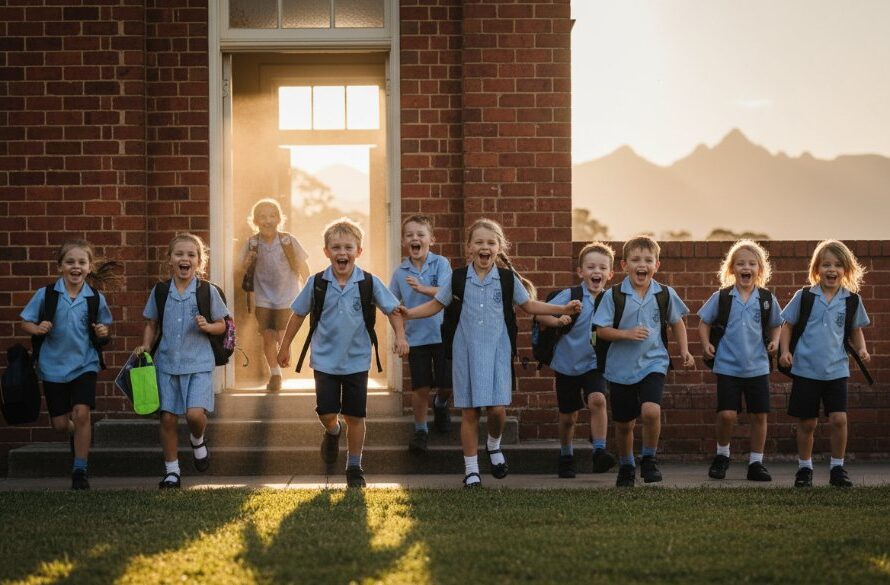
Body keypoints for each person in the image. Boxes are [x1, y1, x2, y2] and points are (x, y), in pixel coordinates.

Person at [400, 218, 581, 488]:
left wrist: (562, 310)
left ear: (499, 248)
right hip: (465, 352)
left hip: (497, 351)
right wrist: (409, 313)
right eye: (479, 242)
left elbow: (529, 305)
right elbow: (437, 305)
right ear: (470, 247)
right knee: (470, 412)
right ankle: (471, 470)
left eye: (491, 242)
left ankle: (494, 445)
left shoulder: (507, 280)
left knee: (497, 410)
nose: (485, 247)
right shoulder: (458, 278)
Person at [277, 217, 409, 488]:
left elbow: (393, 310)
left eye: (348, 247)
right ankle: (333, 431)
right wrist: (285, 345)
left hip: (357, 361)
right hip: (324, 360)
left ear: (358, 252)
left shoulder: (368, 283)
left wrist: (401, 336)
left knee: (356, 415)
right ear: (326, 252)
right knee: (326, 411)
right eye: (336, 248)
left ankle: (354, 467)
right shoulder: (317, 283)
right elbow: (298, 314)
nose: (342, 253)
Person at [592, 235, 695, 487]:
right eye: (636, 260)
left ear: (656, 265)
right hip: (620, 367)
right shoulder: (613, 295)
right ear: (625, 265)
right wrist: (625, 334)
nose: (642, 264)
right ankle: (627, 464)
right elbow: (600, 330)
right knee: (625, 423)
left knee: (651, 410)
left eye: (648, 260)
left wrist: (685, 351)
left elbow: (676, 322)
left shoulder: (664, 294)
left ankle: (649, 459)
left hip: (654, 362)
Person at [21, 239, 118, 490]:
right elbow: (26, 322)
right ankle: (78, 431)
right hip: (52, 366)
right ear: (60, 267)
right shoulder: (48, 295)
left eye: (82, 262)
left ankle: (80, 470)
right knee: (60, 424)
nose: (76, 266)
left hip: (85, 364)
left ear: (89, 267)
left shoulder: (95, 298)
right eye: (70, 262)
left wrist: (102, 331)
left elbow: (104, 332)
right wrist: (37, 328)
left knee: (82, 413)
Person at [136, 233, 229, 489]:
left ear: (200, 262)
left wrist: (208, 326)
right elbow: (151, 323)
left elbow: (223, 325)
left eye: (191, 255)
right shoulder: (161, 291)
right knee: (167, 418)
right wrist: (145, 346)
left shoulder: (207, 291)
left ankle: (198, 439)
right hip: (166, 364)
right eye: (179, 254)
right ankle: (172, 471)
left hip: (198, 363)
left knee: (194, 414)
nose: (185, 258)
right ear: (169, 260)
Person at [779, 239, 870, 488]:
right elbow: (788, 326)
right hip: (806, 370)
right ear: (816, 269)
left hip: (836, 370)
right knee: (807, 422)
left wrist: (861, 349)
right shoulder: (805, 296)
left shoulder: (851, 300)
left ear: (846, 270)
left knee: (839, 419)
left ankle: (837, 468)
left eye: (838, 265)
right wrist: (784, 351)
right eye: (826, 264)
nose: (832, 269)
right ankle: (805, 468)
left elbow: (855, 330)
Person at [698, 240, 782, 482]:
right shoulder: (723, 297)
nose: (746, 267)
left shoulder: (766, 299)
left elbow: (777, 324)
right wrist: (706, 344)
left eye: (752, 264)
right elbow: (704, 322)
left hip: (757, 367)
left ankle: (756, 462)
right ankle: (722, 455)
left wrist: (775, 342)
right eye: (741, 263)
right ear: (732, 269)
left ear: (760, 270)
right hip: (728, 366)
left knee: (759, 416)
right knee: (727, 415)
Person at [536, 242, 617, 478]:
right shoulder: (570, 295)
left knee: (598, 400)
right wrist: (559, 319)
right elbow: (540, 313)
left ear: (610, 274)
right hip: (566, 364)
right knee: (568, 417)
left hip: (594, 363)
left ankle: (599, 452)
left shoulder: (611, 299)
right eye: (591, 267)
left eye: (602, 267)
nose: (597, 271)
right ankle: (566, 454)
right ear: (580, 271)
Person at [389, 215, 454, 453]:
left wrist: (423, 288)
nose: (415, 238)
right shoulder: (399, 273)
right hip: (417, 338)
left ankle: (441, 403)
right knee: (421, 387)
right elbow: (392, 307)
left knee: (447, 383)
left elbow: (449, 291)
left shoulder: (441, 264)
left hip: (443, 335)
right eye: (409, 235)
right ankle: (421, 430)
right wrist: (400, 336)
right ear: (404, 242)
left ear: (432, 240)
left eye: (420, 234)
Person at [240, 198, 310, 392]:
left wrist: (309, 286)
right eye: (262, 217)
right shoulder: (252, 243)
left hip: (288, 296)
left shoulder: (288, 240)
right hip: (263, 298)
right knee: (268, 336)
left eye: (272, 216)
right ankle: (275, 374)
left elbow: (303, 264)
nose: (267, 220)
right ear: (255, 221)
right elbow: (242, 268)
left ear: (279, 219)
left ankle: (285, 352)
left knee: (282, 335)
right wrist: (248, 260)